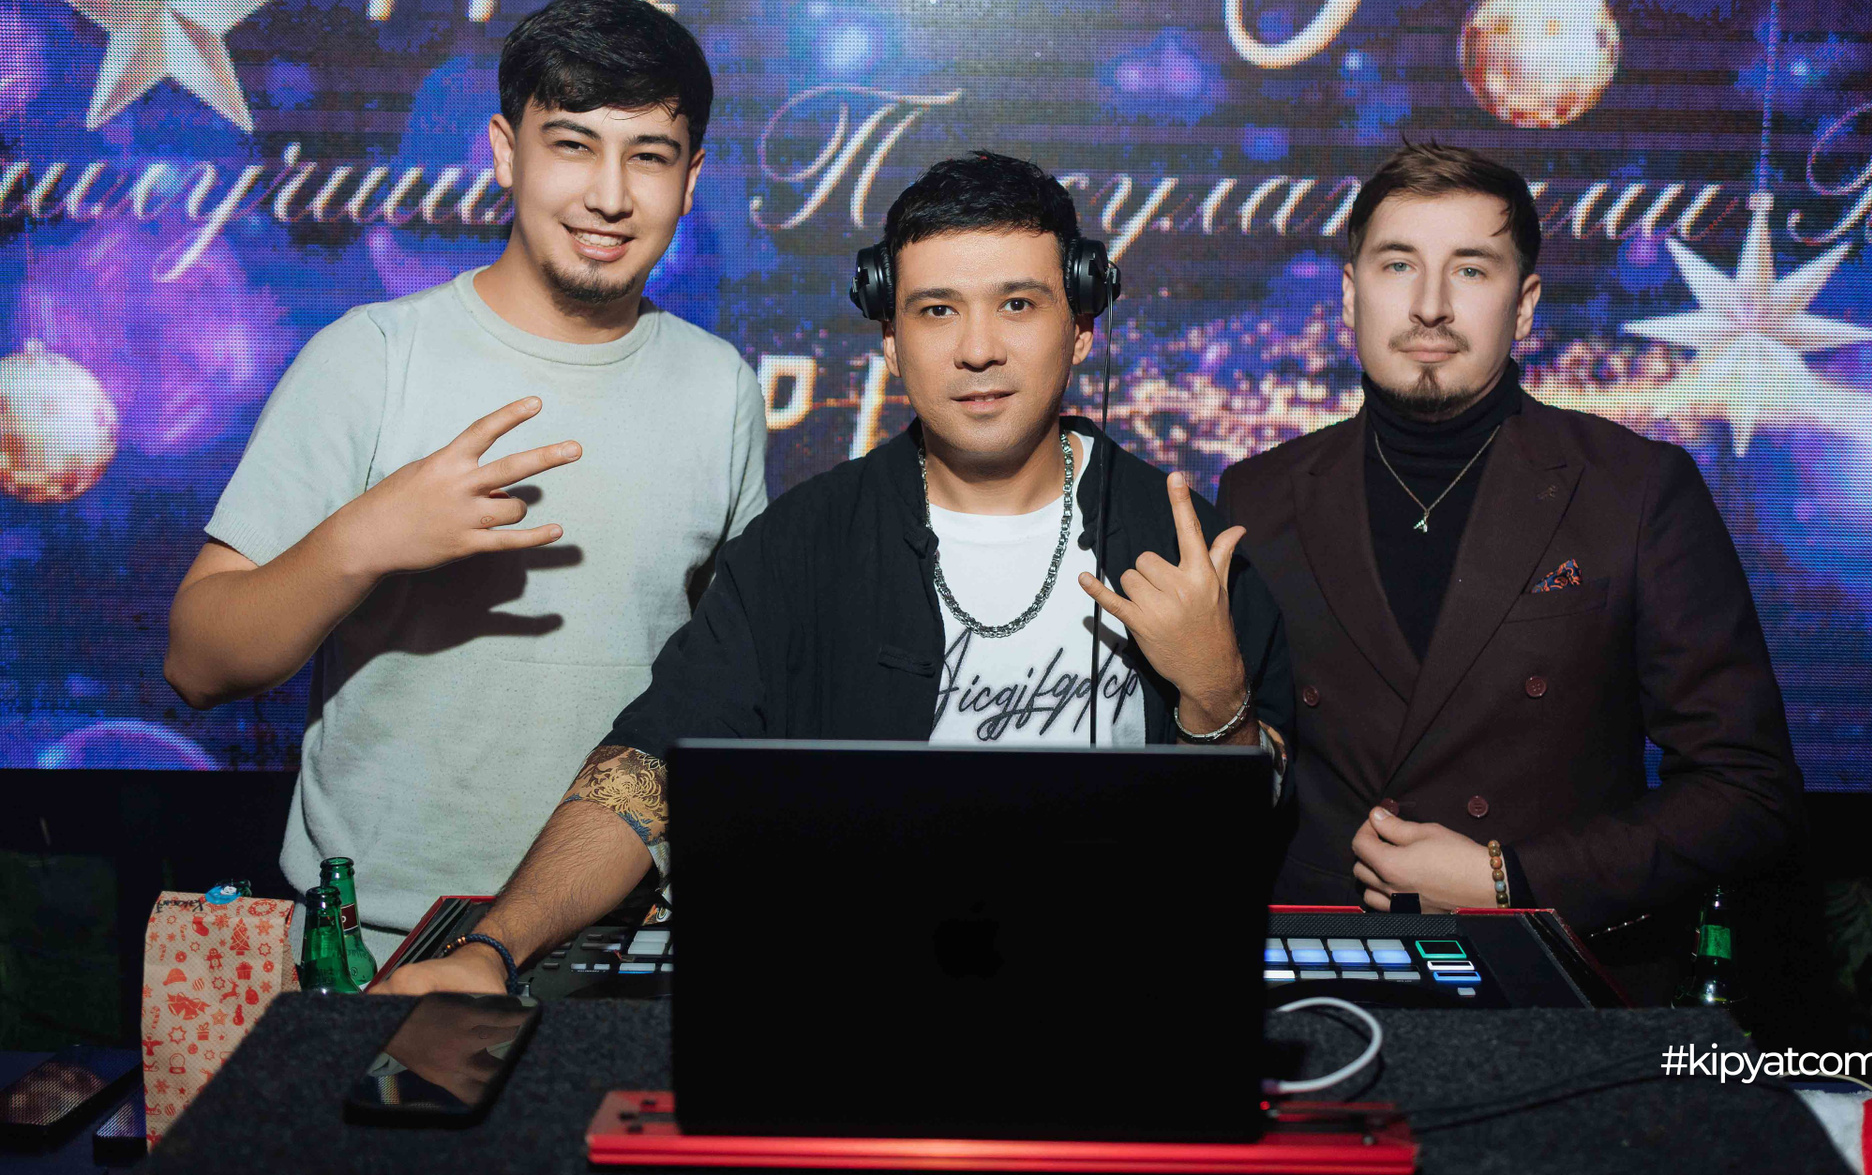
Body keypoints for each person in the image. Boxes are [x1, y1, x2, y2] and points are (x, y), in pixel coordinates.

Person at [382, 151, 1294, 994]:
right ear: (890, 340)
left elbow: (1251, 851)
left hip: (1120, 994)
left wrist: (1217, 699)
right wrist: (492, 950)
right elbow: (643, 773)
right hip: (851, 1000)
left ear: (1082, 325)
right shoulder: (800, 547)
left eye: (1018, 304)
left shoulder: (1183, 544)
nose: (978, 348)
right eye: (937, 310)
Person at [164, 0, 767, 962]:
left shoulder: (720, 387)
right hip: (384, 945)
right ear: (504, 152)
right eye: (572, 145)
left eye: (649, 156)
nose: (610, 195)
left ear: (691, 177)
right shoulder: (372, 357)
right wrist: (365, 539)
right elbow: (198, 663)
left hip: (628, 941)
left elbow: (725, 687)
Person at [1216, 142, 1805, 1002]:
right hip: (1320, 983)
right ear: (1349, 294)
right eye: (1397, 265)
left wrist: (1512, 882)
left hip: (1552, 988)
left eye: (1471, 270)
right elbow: (1236, 781)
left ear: (1523, 305)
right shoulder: (1257, 495)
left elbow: (1748, 789)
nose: (1429, 305)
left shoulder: (1635, 490)